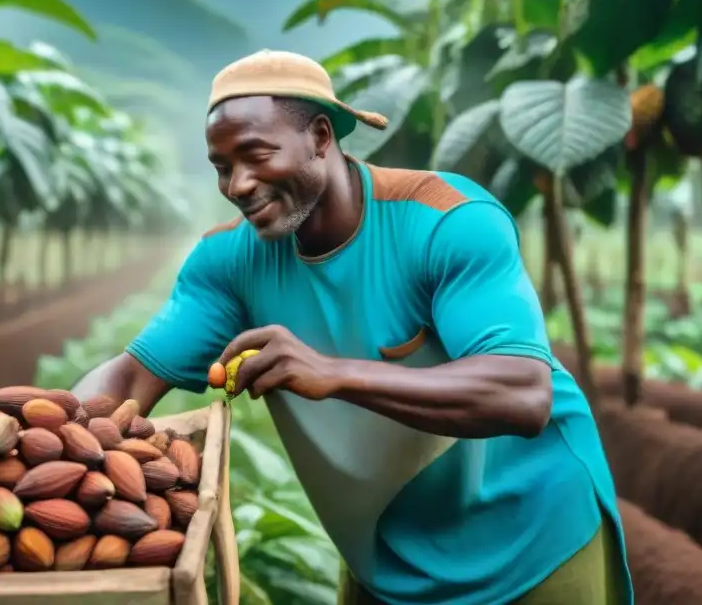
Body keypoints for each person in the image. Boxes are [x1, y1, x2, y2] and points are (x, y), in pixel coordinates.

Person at [72, 49, 634, 604]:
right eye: (222, 167)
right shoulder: (228, 263)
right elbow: (126, 383)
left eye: (256, 154)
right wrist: (35, 440)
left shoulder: (448, 222)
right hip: (383, 560)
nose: (238, 184)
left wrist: (335, 373)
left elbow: (522, 393)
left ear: (321, 137)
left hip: (533, 541)